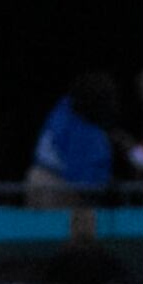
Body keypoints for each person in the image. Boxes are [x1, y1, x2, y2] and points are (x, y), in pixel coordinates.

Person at [28, 72, 117, 203]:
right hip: (56, 183)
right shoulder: (82, 129)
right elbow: (80, 172)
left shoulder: (65, 107)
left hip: (39, 177)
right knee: (73, 220)